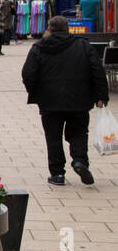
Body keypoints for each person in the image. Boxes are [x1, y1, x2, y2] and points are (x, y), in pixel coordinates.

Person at [22, 15, 108, 185]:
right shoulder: (83, 45)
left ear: (49, 29)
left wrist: (36, 92)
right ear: (68, 29)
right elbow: (98, 71)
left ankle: (57, 174)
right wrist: (101, 96)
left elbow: (28, 74)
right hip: (79, 100)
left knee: (53, 137)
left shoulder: (39, 47)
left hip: (49, 102)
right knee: (79, 133)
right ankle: (79, 161)